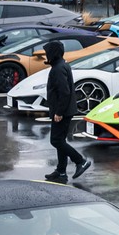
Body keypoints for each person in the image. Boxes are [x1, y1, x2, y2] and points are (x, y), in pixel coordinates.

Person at [43, 40, 90, 183]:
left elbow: (64, 92)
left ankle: (80, 160)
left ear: (53, 53)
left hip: (62, 111)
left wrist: (59, 112)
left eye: (47, 52)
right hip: (65, 110)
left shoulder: (58, 69)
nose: (46, 55)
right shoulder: (61, 65)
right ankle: (61, 171)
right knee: (60, 140)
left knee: (56, 140)